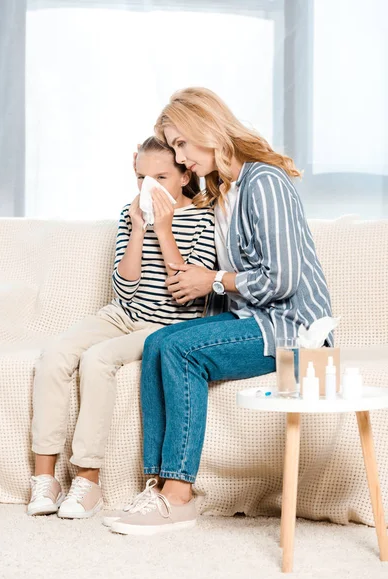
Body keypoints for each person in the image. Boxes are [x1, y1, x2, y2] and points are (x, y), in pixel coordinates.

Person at [108, 87, 333, 536]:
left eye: (181, 144)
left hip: (294, 329)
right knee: (158, 342)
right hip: (254, 319)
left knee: (182, 352)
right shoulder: (226, 191)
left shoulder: (264, 181)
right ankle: (158, 485)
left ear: (205, 130)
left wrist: (212, 279)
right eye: (173, 147)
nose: (181, 157)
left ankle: (179, 496)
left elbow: (283, 280)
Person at [27, 136, 216, 518]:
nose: (151, 186)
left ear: (184, 175)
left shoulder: (204, 218)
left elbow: (186, 293)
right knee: (54, 355)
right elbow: (125, 285)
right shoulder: (129, 215)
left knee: (97, 360)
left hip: (166, 325)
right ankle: (44, 479)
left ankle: (88, 480)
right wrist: (137, 229)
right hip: (121, 314)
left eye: (161, 176)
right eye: (143, 177)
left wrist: (163, 229)